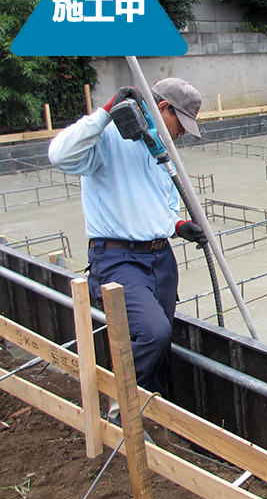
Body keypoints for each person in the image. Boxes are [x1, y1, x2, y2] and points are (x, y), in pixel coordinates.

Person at [48, 78, 208, 407]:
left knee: (161, 339)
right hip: (119, 260)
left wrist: (177, 226)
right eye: (180, 124)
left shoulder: (160, 151)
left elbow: (157, 205)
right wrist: (106, 112)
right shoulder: (108, 138)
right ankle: (122, 406)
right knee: (153, 332)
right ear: (162, 108)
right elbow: (59, 155)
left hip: (159, 260)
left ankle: (153, 404)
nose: (181, 134)